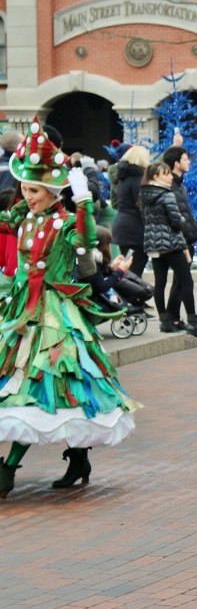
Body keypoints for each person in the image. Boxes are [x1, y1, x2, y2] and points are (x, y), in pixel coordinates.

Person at [0, 120, 139, 498]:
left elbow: (87, 241)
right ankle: (78, 459)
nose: (27, 197)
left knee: (53, 383)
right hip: (22, 310)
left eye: (34, 191)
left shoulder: (64, 224)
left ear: (51, 192)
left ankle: (9, 467)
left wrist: (83, 204)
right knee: (32, 388)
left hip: (55, 314)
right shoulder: (23, 219)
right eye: (25, 190)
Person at [139, 161, 197, 341]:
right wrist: (183, 219)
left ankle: (165, 321)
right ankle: (193, 323)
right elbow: (176, 223)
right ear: (156, 176)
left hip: (153, 244)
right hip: (171, 243)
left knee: (160, 282)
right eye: (166, 174)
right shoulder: (167, 195)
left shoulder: (144, 195)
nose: (171, 177)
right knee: (186, 280)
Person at [161, 146, 197, 332]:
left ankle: (172, 319)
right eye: (185, 159)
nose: (189, 162)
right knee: (183, 281)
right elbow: (176, 216)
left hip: (186, 239)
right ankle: (174, 319)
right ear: (176, 163)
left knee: (179, 281)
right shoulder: (171, 186)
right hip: (180, 241)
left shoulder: (179, 184)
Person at [111, 145, 151, 276]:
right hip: (135, 229)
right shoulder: (139, 179)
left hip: (122, 226)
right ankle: (131, 296)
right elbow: (142, 206)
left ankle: (125, 296)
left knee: (127, 268)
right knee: (135, 270)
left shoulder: (123, 178)